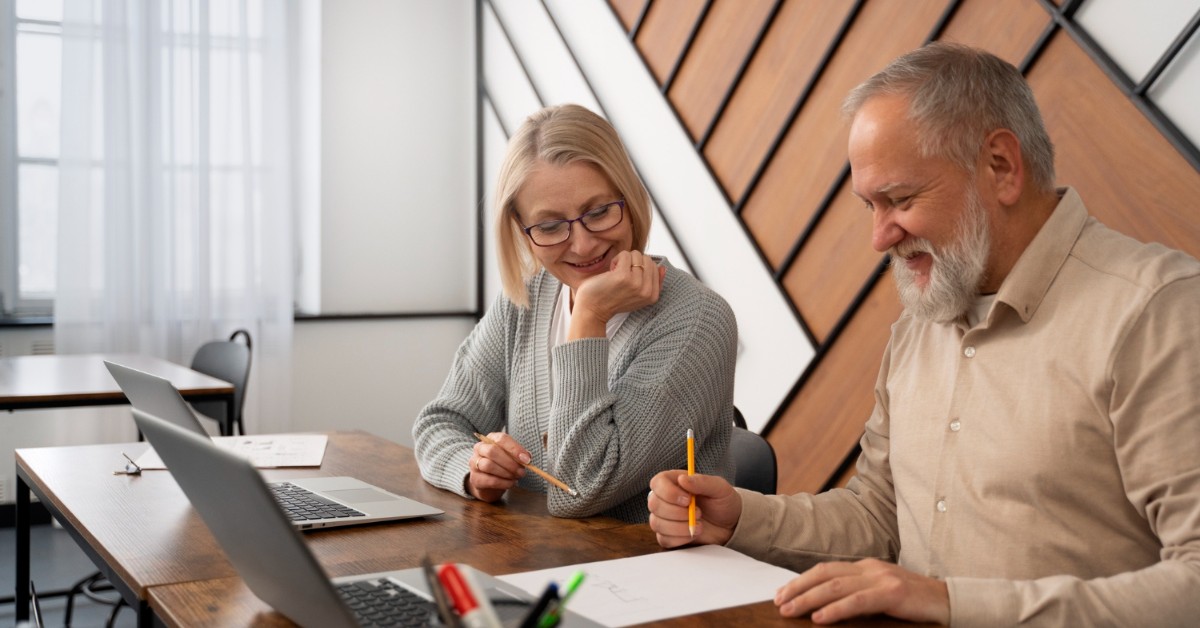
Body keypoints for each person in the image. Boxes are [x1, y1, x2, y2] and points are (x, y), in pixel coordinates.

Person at [648, 42, 1200, 625]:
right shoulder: (920, 324)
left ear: (1001, 167)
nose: (880, 237)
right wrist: (739, 519)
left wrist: (949, 603)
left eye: (900, 200)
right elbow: (882, 516)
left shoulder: (1159, 313)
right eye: (870, 206)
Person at [414, 104, 736, 523]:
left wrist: (588, 317)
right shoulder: (526, 301)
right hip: (538, 560)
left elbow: (580, 490)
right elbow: (441, 421)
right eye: (549, 227)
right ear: (521, 231)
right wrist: (474, 470)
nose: (582, 245)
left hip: (650, 572)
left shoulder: (696, 320)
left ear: (631, 197)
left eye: (599, 212)